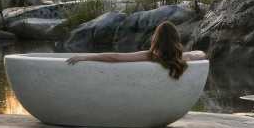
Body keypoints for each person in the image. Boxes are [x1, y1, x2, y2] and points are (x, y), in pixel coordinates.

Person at [65, 21, 207, 79]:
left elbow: (116, 57)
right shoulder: (182, 59)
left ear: (156, 40)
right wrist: (187, 54)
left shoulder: (150, 56)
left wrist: (86, 57)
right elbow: (201, 54)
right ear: (176, 39)